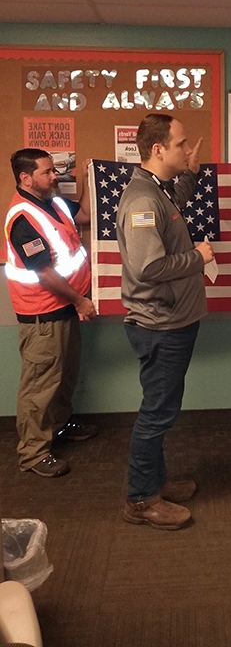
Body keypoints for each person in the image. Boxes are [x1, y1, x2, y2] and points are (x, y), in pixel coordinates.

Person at [116, 114, 214, 530]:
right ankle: (140, 499)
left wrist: (190, 172)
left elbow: (176, 202)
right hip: (161, 325)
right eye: (180, 143)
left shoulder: (157, 191)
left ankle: (154, 483)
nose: (185, 148)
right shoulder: (142, 200)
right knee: (157, 413)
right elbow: (148, 266)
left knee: (162, 409)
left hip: (173, 320)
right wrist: (199, 257)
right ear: (158, 149)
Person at [4, 149, 97, 478]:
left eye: (54, 170)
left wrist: (86, 178)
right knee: (40, 385)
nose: (55, 176)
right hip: (43, 315)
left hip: (65, 308)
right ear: (26, 178)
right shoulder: (23, 218)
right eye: (47, 172)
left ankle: (58, 425)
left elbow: (84, 215)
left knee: (63, 376)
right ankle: (32, 453)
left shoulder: (54, 203)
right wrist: (80, 300)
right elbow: (43, 272)